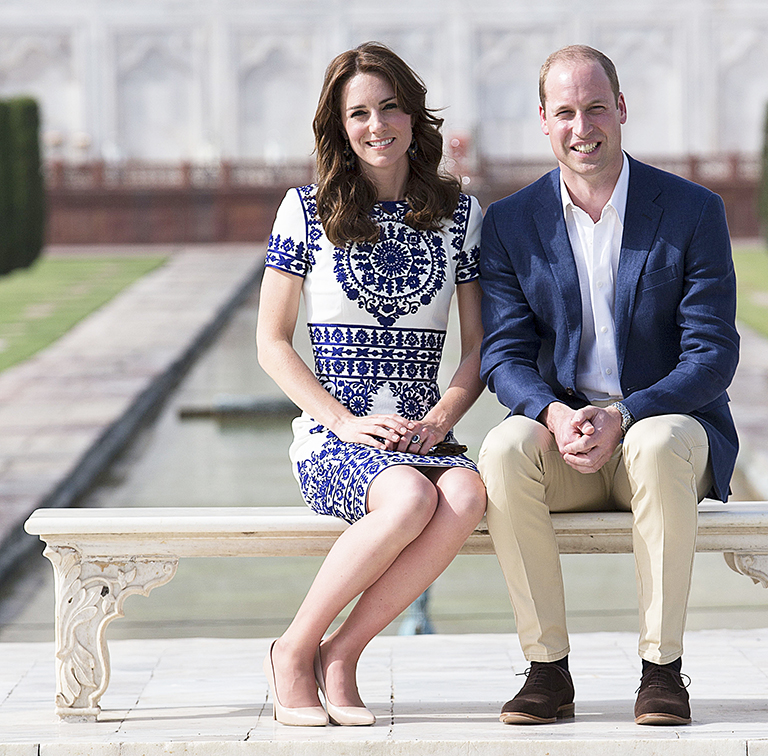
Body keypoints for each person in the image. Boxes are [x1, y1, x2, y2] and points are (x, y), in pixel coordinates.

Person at [477, 45, 739, 726]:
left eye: (595, 108)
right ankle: (546, 669)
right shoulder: (510, 223)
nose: (581, 127)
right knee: (503, 450)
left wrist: (625, 414)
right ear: (543, 119)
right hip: (568, 442)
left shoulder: (691, 210)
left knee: (655, 443)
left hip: (663, 435)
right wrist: (552, 415)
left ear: (621, 108)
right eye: (565, 112)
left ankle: (662, 671)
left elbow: (712, 355)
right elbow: (503, 356)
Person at [256, 41, 487, 727]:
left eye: (390, 107)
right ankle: (293, 650)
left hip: (422, 434)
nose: (376, 125)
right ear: (340, 125)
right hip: (336, 436)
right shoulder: (305, 211)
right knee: (410, 496)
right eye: (358, 113)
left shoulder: (460, 216)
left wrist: (443, 417)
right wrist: (344, 422)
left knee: (467, 493)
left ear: (414, 116)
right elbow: (272, 343)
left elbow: (479, 348)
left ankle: (342, 654)